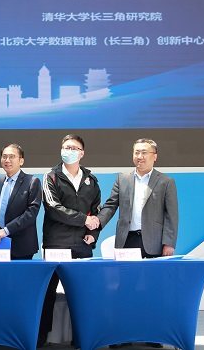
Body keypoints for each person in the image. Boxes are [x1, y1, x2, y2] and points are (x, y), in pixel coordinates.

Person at [96, 138, 179, 349]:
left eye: (144, 152)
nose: (139, 157)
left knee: (154, 289)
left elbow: (171, 215)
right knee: (125, 288)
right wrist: (97, 223)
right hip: (128, 241)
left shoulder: (166, 181)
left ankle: (153, 334)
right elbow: (110, 206)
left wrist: (168, 243)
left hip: (154, 242)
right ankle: (122, 334)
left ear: (154, 156)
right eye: (136, 152)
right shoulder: (122, 178)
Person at [38, 134, 101, 348]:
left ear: (82, 153)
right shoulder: (51, 176)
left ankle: (82, 337)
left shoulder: (91, 180)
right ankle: (41, 337)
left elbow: (96, 212)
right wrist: (84, 219)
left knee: (83, 294)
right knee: (47, 293)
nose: (69, 151)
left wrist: (94, 234)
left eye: (74, 148)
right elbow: (53, 208)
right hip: (56, 244)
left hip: (82, 246)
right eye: (66, 147)